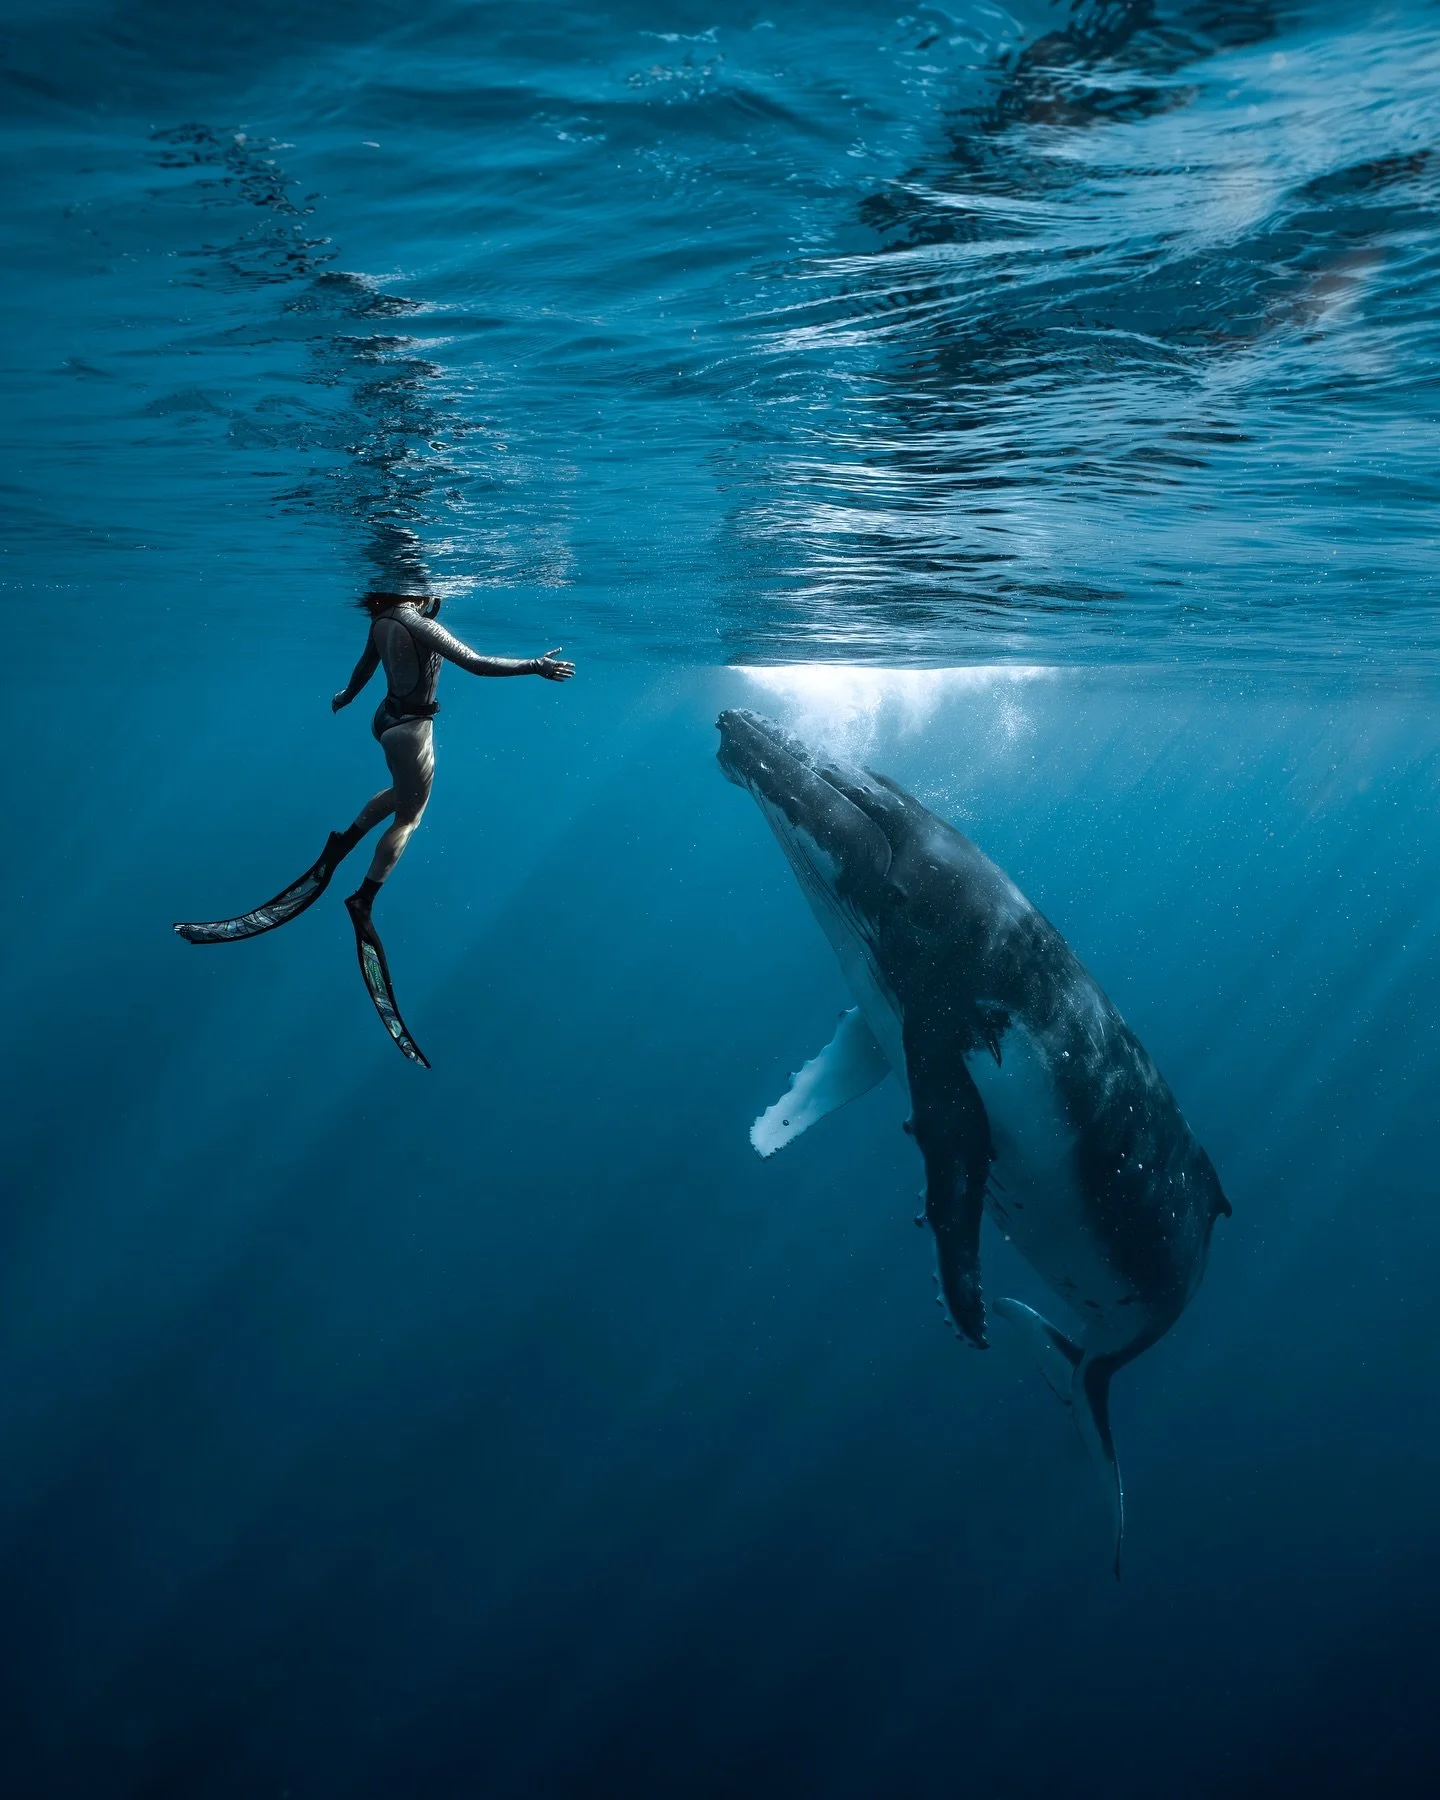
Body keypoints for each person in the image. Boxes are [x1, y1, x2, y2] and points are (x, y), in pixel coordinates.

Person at [175, 591, 574, 1065]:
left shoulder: (382, 619)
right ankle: (363, 898)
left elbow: (366, 666)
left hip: (386, 718)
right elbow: (476, 664)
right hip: (411, 728)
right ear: (420, 594)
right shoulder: (417, 622)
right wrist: (534, 666)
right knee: (411, 815)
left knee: (400, 792)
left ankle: (341, 846)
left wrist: (347, 695)